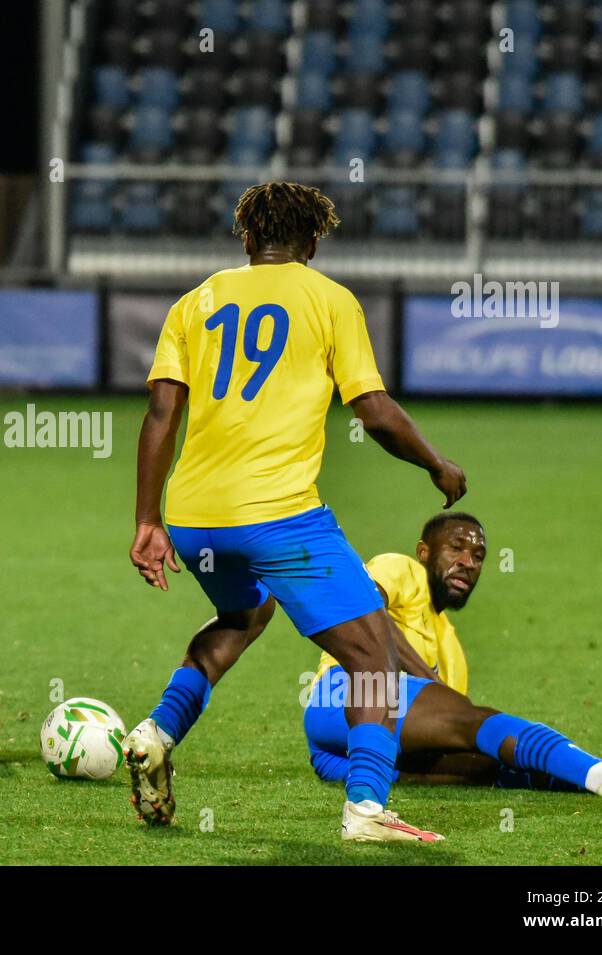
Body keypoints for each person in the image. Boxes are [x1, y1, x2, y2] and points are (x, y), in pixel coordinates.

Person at [124, 181, 467, 842]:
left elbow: (161, 414)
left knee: (242, 614)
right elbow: (373, 411)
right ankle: (367, 807)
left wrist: (148, 519)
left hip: (196, 518)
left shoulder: (195, 301)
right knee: (373, 655)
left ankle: (157, 732)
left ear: (247, 239)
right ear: (313, 242)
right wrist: (436, 463)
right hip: (280, 515)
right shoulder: (331, 299)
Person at [304, 512, 602, 796]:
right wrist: (431, 680)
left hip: (348, 755)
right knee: (478, 721)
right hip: (341, 696)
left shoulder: (453, 649)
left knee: (486, 763)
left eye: (478, 557)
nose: (467, 562)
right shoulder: (401, 570)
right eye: (455, 548)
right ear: (424, 552)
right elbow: (363, 611)